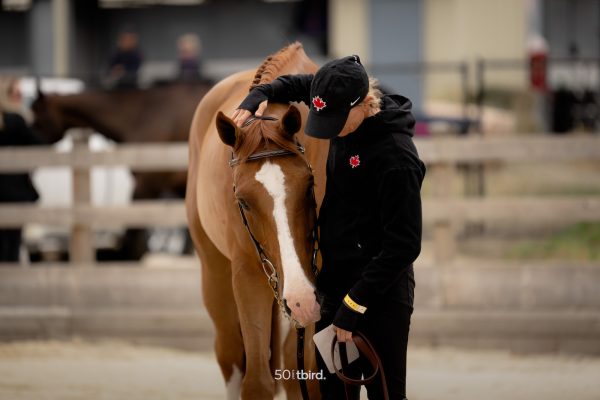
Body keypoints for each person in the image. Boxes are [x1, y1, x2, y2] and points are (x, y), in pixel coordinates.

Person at [232, 55, 425, 400]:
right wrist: (257, 95)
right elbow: (297, 86)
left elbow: (404, 245)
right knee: (332, 392)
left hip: (379, 298)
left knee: (385, 393)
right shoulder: (337, 103)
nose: (329, 128)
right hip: (335, 288)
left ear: (364, 103)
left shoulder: (397, 159)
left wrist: (353, 308)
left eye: (335, 119)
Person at [0, 100, 42, 263]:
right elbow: (40, 145)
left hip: (11, 193)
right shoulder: (15, 121)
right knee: (11, 247)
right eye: (16, 94)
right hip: (13, 193)